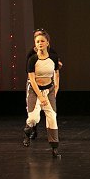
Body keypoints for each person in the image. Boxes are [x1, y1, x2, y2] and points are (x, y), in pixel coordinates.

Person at [23, 29, 61, 158]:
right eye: (37, 41)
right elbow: (31, 78)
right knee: (34, 118)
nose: (40, 43)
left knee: (52, 117)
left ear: (47, 43)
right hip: (35, 90)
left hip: (49, 90)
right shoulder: (32, 59)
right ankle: (27, 131)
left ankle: (54, 147)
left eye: (42, 41)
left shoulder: (53, 57)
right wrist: (40, 96)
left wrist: (55, 89)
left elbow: (56, 73)